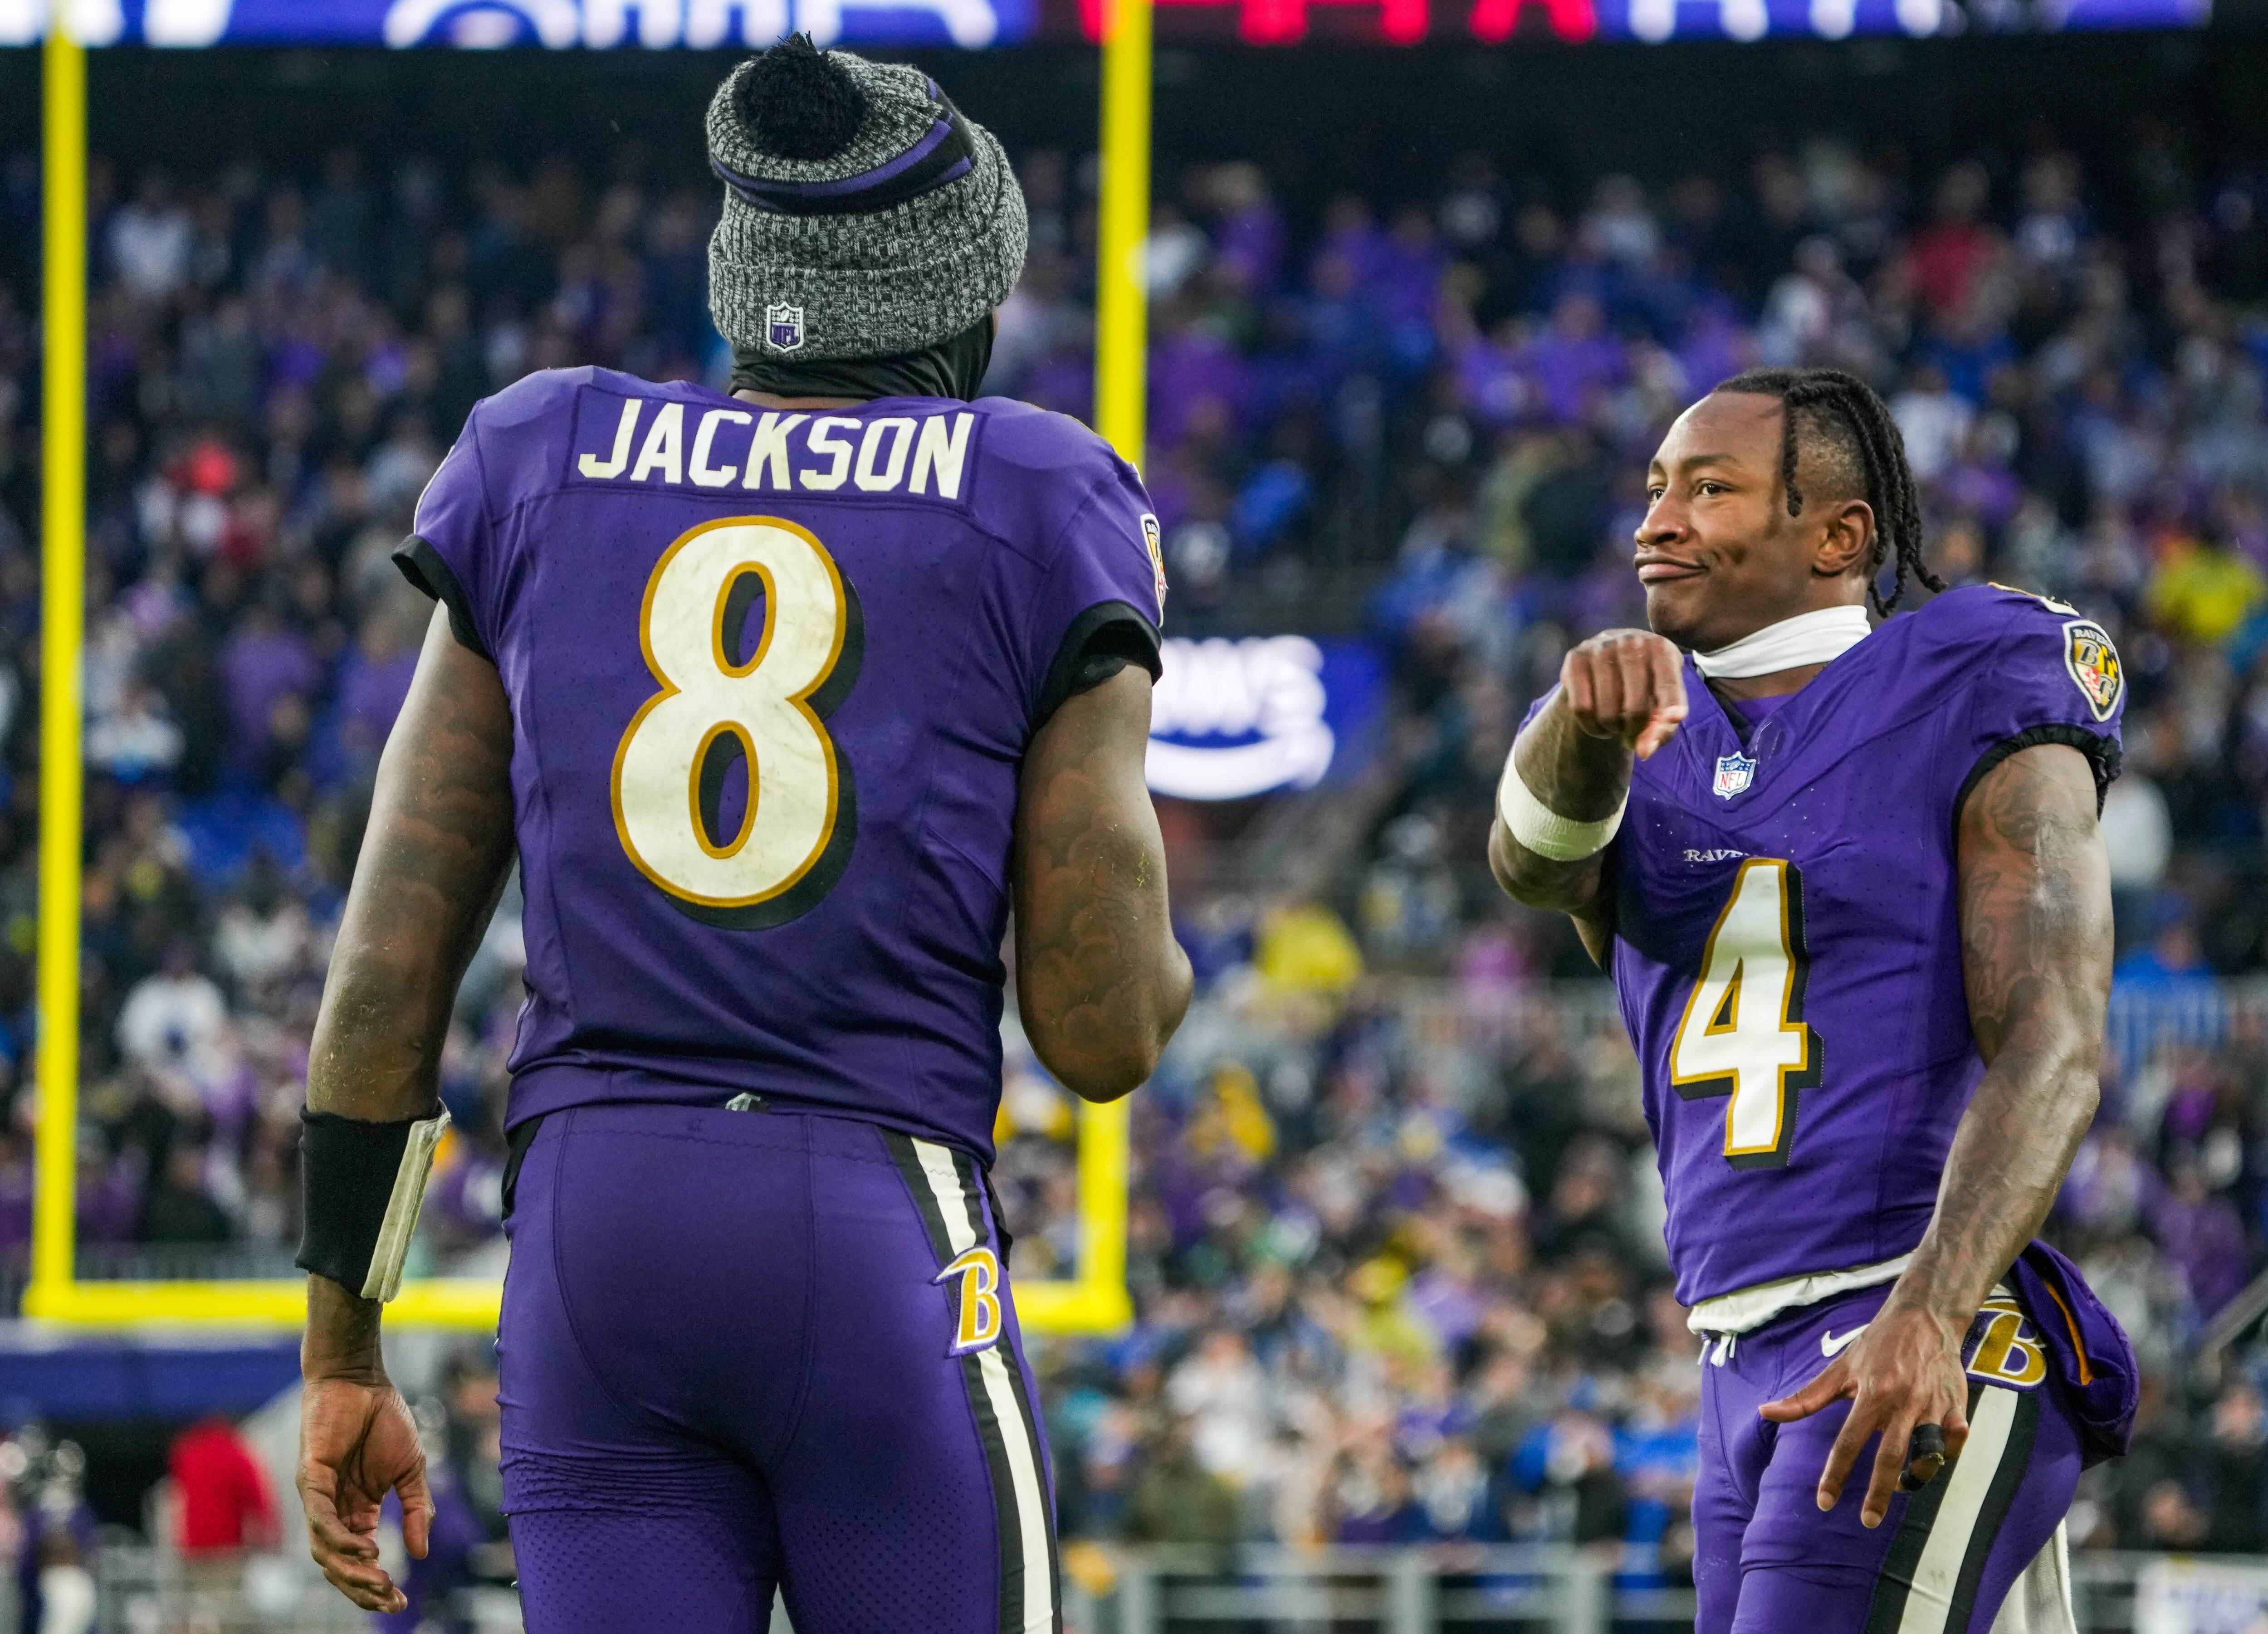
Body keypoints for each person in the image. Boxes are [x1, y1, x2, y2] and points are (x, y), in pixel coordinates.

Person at [293, 37, 1191, 1634]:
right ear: (966, 291)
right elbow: (1103, 1027)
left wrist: (341, 1352)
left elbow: (383, 970)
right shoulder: (1038, 490)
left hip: (591, 1234)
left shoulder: (541, 451)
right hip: (867, 1209)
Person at [1489, 367, 2136, 1632]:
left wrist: (1931, 1309)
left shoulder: (1969, 672)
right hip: (1736, 1355)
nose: (1656, 522)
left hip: (1905, 1313)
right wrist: (1582, 716)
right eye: (1656, 489)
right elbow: (1531, 860)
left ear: (1837, 533)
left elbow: (2056, 1036)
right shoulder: (1633, 739)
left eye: (1710, 488)